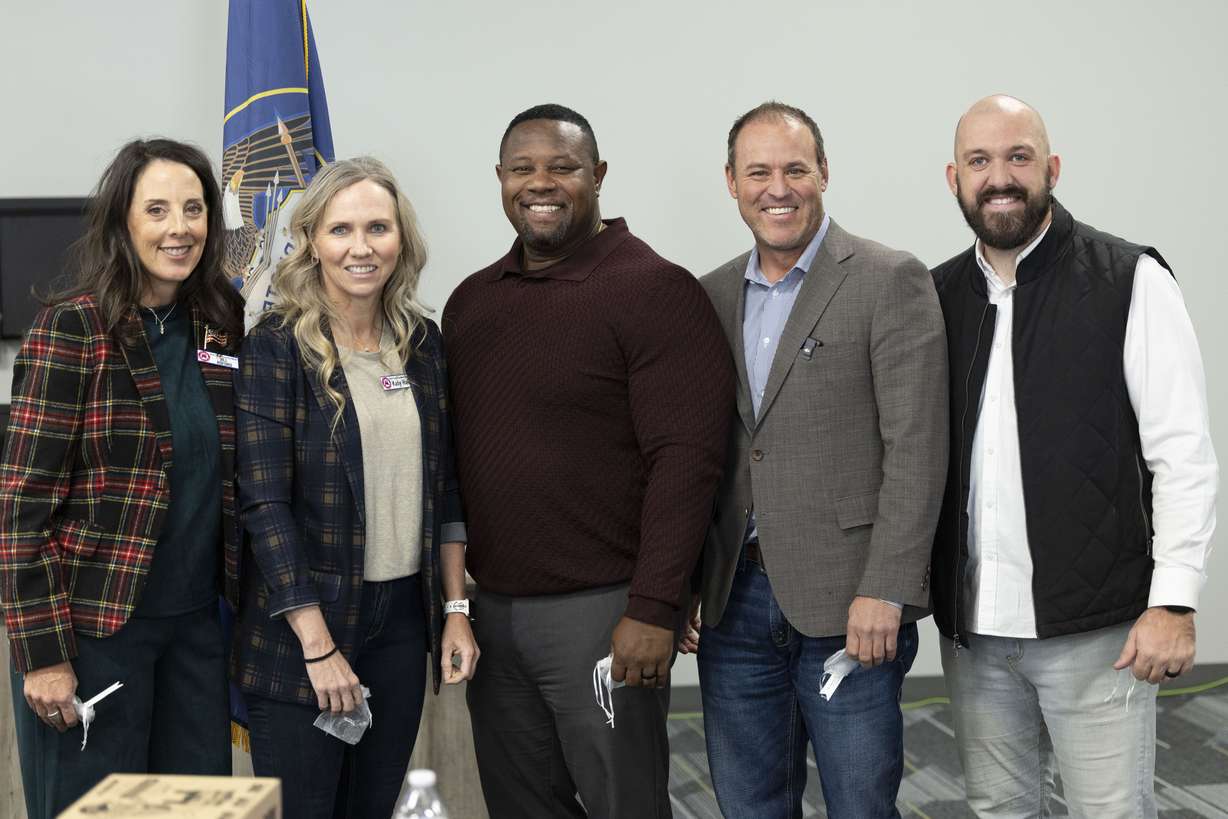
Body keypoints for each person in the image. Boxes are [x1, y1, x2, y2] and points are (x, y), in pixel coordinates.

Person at [443, 103, 734, 818]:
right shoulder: (471, 304)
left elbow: (687, 462)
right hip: (496, 617)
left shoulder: (655, 289)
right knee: (522, 807)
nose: (541, 183)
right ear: (500, 180)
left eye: (563, 167)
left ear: (598, 175)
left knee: (623, 804)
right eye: (522, 168)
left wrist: (654, 605)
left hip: (606, 615)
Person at [930, 95, 1218, 817]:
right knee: (1000, 811)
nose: (1001, 176)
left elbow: (1183, 451)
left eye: (1019, 157)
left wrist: (1173, 602)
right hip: (975, 636)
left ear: (1052, 169)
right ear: (954, 179)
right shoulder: (935, 297)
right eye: (980, 161)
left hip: (1098, 634)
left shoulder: (1130, 280)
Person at [690, 101, 948, 818]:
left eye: (796, 169)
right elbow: (704, 453)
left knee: (860, 804)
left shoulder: (887, 278)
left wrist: (889, 588)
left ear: (824, 173)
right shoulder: (709, 296)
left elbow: (917, 447)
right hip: (734, 602)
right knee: (750, 805)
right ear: (732, 182)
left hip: (851, 603)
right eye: (759, 172)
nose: (779, 188)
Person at [0, 138, 245, 818]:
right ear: (123, 223)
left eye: (194, 209)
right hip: (95, 635)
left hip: (197, 631)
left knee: (191, 811)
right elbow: (21, 508)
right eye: (158, 209)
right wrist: (43, 654)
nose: (179, 227)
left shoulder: (223, 324)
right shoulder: (73, 328)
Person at [232, 156, 477, 819]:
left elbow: (446, 489)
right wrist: (319, 646)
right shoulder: (276, 347)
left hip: (401, 622)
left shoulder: (423, 344)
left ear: (402, 239)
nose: (361, 247)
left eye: (378, 227)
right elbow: (264, 504)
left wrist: (455, 609)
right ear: (312, 240)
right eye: (341, 230)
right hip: (302, 629)